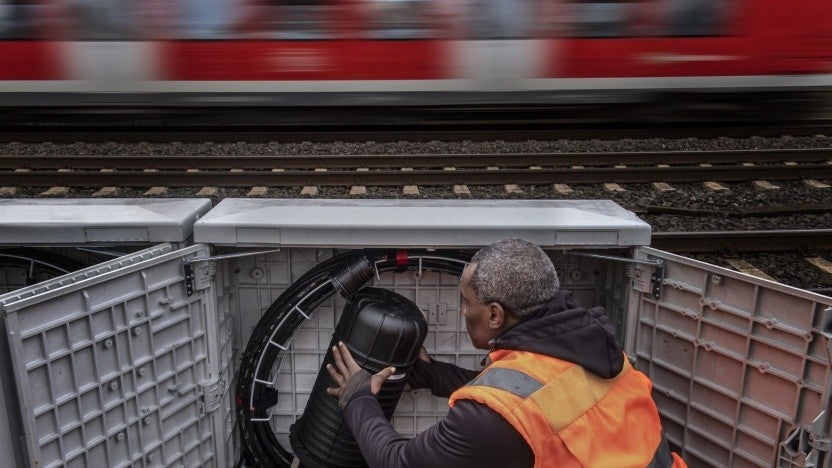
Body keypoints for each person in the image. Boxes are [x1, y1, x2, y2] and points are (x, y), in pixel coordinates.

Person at [325, 238, 685, 467]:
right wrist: (433, 375)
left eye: (466, 303)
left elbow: (399, 463)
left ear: (495, 314)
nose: (463, 312)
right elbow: (537, 400)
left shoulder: (488, 421)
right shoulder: (599, 350)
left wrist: (358, 398)